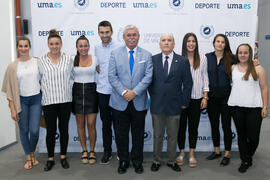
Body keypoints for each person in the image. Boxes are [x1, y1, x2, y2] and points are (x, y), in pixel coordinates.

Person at [108, 25, 153, 174]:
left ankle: (137, 161)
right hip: (119, 102)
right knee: (121, 135)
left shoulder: (146, 55)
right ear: (124, 37)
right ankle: (123, 161)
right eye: (128, 35)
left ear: (138, 36)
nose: (132, 37)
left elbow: (148, 77)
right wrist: (123, 92)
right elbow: (112, 76)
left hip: (139, 101)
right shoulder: (115, 54)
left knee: (138, 135)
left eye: (134, 34)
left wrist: (134, 92)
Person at [149, 34, 193, 172]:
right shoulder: (153, 60)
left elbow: (188, 83)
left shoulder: (183, 61)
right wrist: (155, 96)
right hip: (157, 104)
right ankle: (156, 160)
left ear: (174, 44)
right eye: (163, 40)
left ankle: (171, 160)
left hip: (175, 104)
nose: (166, 43)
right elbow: (149, 81)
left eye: (169, 40)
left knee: (173, 135)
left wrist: (185, 101)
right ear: (160, 44)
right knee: (157, 135)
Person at [2, 36, 42, 170]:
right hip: (22, 101)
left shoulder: (37, 62)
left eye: (26, 46)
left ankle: (31, 151)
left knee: (35, 130)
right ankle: (29, 156)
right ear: (17, 48)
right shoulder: (12, 66)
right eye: (21, 46)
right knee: (24, 130)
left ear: (29, 47)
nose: (23, 49)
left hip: (36, 99)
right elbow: (9, 90)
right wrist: (13, 108)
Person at [228, 44, 268, 173]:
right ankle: (245, 160)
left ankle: (248, 155)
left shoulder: (259, 68)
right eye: (240, 52)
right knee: (242, 135)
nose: (243, 55)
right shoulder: (232, 67)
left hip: (254, 107)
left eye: (245, 52)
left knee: (254, 137)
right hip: (236, 107)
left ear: (250, 54)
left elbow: (264, 88)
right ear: (237, 54)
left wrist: (265, 106)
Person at [39, 29, 74, 171]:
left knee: (64, 130)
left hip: (65, 100)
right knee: (51, 131)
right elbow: (39, 80)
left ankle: (63, 156)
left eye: (57, 43)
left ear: (61, 44)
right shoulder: (41, 61)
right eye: (52, 44)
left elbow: (72, 77)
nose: (54, 46)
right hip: (49, 102)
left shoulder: (68, 59)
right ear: (48, 44)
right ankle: (50, 158)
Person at [176, 33, 209, 167]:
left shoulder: (202, 58)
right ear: (184, 43)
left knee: (193, 128)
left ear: (196, 43)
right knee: (181, 128)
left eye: (193, 41)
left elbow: (205, 77)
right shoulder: (178, 59)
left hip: (196, 98)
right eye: (188, 41)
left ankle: (191, 154)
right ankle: (182, 152)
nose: (191, 43)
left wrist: (205, 97)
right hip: (181, 100)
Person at [205, 34, 235, 166]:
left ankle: (227, 153)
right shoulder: (207, 57)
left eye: (223, 42)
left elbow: (245, 66)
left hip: (226, 97)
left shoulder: (232, 58)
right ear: (213, 43)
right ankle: (217, 151)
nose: (220, 44)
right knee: (214, 125)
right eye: (218, 41)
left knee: (226, 126)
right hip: (211, 98)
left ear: (225, 44)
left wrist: (255, 63)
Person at [95, 20, 121, 164]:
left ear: (111, 32)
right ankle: (107, 152)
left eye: (107, 32)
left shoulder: (119, 47)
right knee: (106, 124)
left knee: (119, 124)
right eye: (101, 32)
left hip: (117, 92)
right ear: (98, 33)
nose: (104, 35)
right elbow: (97, 67)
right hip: (102, 91)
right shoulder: (96, 48)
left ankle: (121, 151)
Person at [72, 35, 98, 164]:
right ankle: (84, 150)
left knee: (91, 124)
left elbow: (100, 73)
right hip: (77, 94)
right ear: (77, 47)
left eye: (85, 45)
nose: (83, 48)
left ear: (89, 46)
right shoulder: (72, 59)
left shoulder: (95, 59)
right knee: (80, 125)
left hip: (91, 94)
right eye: (80, 46)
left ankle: (92, 151)